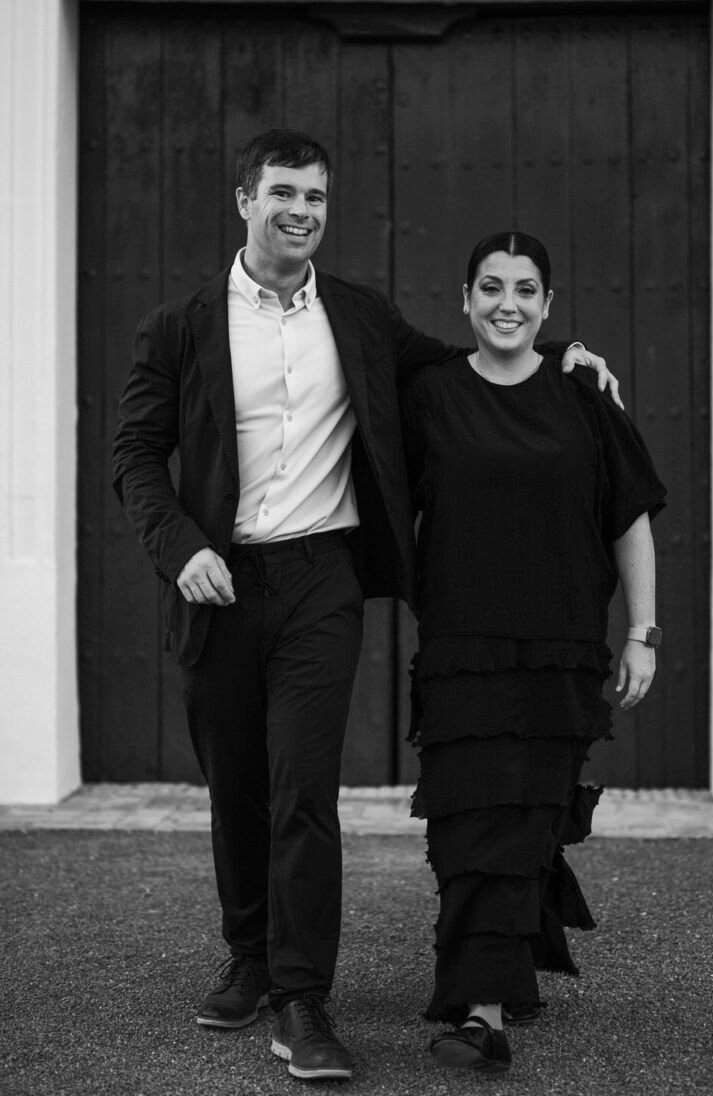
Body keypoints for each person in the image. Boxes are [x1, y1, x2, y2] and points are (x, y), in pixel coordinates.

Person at [112, 131, 620, 1082]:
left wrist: (559, 353)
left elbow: (464, 359)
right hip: (218, 583)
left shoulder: (359, 315)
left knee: (303, 789)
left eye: (315, 196)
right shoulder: (179, 326)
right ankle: (250, 955)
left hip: (321, 580)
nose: (301, 211)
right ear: (245, 200)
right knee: (237, 787)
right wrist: (181, 548)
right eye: (283, 193)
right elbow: (135, 455)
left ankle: (303, 998)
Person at [401, 230, 666, 1074]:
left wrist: (642, 633)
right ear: (465, 299)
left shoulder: (583, 394)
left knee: (531, 817)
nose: (506, 304)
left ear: (548, 306)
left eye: (524, 289)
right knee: (473, 821)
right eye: (490, 287)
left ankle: (502, 975)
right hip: (463, 647)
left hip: (561, 647)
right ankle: (481, 1013)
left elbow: (629, 516)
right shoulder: (429, 394)